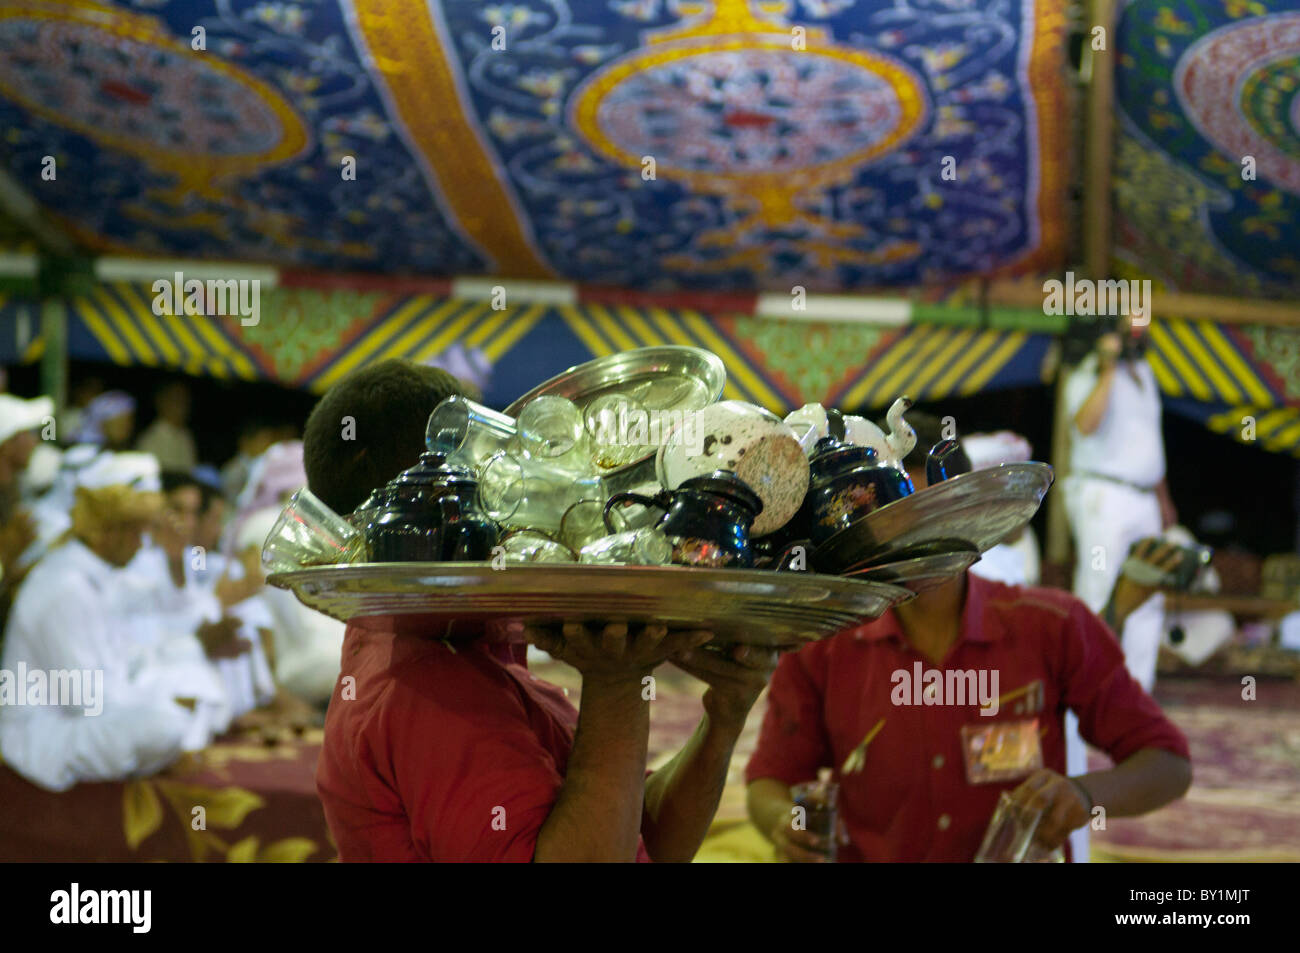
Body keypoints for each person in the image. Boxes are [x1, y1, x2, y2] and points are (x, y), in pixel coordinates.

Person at [309, 359, 778, 861]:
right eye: (491, 467)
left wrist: (723, 716)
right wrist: (616, 685)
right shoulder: (425, 683)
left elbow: (638, 839)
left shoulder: (468, 651)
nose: (513, 486)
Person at [745, 436, 1192, 863]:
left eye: (933, 514)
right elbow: (770, 779)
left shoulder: (1053, 626)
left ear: (969, 515)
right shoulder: (825, 643)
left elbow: (1168, 763)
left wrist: (1085, 795)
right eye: (894, 517)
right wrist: (789, 821)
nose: (914, 538)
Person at [0, 454, 227, 791]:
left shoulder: (96, 578)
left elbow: (127, 660)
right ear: (108, 533)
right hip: (45, 733)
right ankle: (170, 749)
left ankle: (170, 745)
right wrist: (162, 702)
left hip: (98, 707)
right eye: (137, 532)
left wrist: (163, 688)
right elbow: (88, 703)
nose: (142, 544)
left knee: (193, 677)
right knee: (162, 726)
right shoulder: (64, 589)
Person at [1063, 319, 1175, 692]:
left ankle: (1137, 690)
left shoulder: (1144, 371)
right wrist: (1107, 367)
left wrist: (1163, 500)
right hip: (1104, 497)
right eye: (1126, 331)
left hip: (1145, 498)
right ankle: (1090, 687)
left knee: (1148, 589)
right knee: (1100, 585)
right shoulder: (1084, 376)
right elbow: (1085, 425)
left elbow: (1149, 441)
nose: (1135, 337)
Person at [135, 380, 198, 471]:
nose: (181, 407)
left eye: (184, 401)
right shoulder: (150, 439)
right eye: (176, 400)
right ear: (160, 402)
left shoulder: (186, 436)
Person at [68, 391, 136, 450]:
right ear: (101, 422)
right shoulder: (82, 451)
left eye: (128, 421)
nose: (127, 427)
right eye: (120, 423)